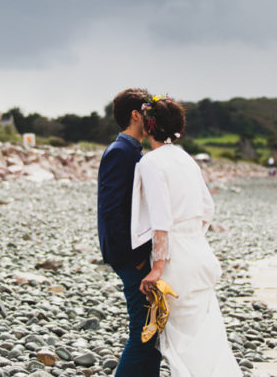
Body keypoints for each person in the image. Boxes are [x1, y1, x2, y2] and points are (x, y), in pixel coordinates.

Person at [130, 95, 242, 376]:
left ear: (148, 125)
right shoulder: (187, 160)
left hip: (176, 260)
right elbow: (207, 209)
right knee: (207, 337)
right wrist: (191, 235)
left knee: (181, 344)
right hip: (199, 252)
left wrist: (158, 266)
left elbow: (161, 219)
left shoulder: (151, 162)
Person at [96, 88, 161, 376]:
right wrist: (133, 258)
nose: (153, 119)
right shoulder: (120, 153)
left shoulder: (133, 152)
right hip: (129, 256)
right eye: (148, 112)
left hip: (135, 254)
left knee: (152, 330)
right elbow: (111, 211)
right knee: (143, 331)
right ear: (136, 115)